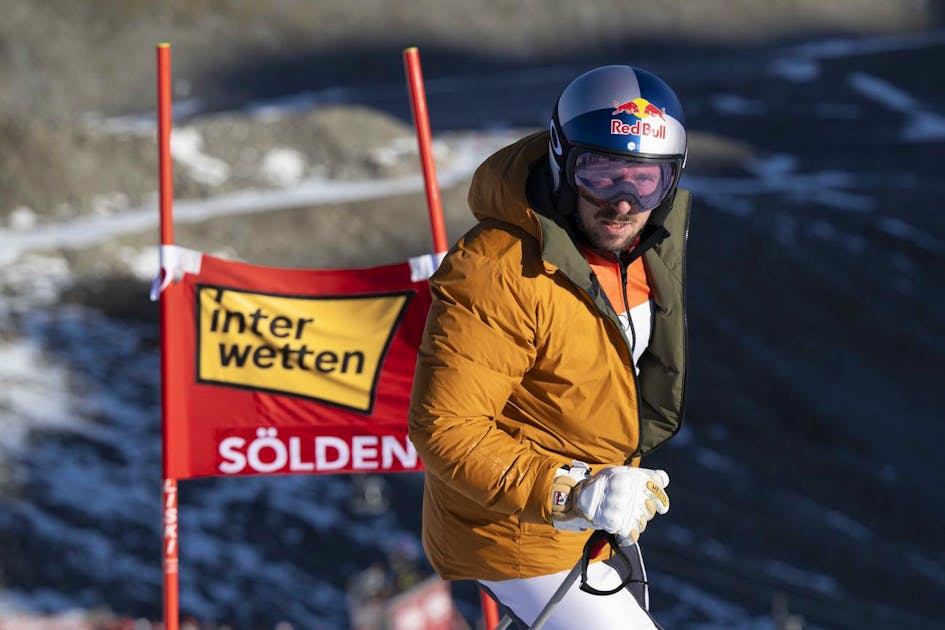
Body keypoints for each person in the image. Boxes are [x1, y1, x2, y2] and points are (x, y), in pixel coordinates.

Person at [408, 65, 690, 629]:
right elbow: (445, 427)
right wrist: (571, 493)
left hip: (587, 521)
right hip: (514, 532)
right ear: (562, 161)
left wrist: (603, 488)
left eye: (646, 180)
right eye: (602, 174)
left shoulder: (648, 245)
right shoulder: (497, 270)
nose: (624, 203)